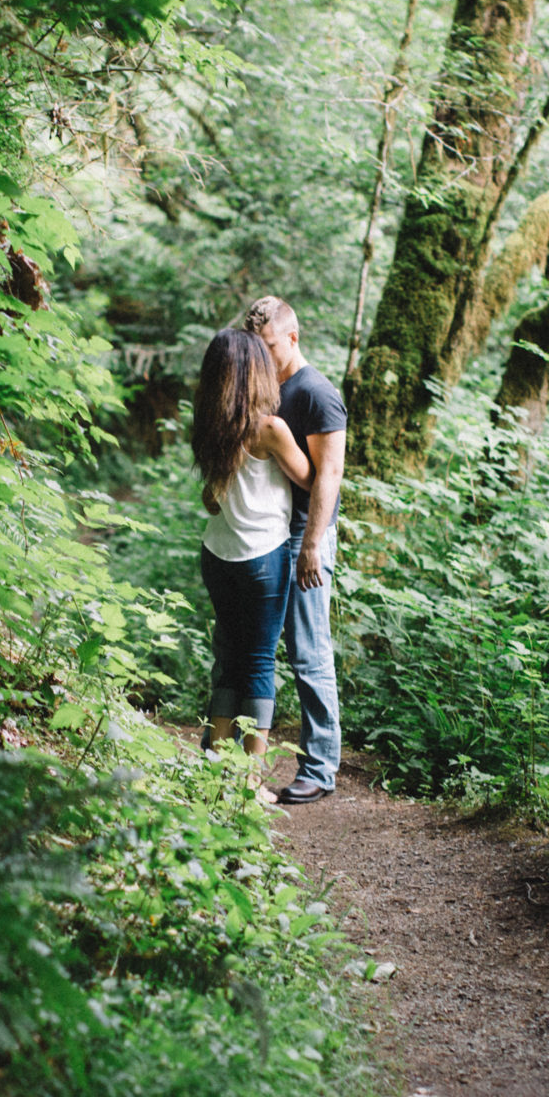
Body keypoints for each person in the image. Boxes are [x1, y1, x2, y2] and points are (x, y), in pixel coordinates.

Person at [191, 328, 313, 771]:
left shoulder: (211, 423)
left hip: (217, 553)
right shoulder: (270, 429)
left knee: (228, 659)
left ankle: (212, 766)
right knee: (259, 662)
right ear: (255, 372)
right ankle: (247, 781)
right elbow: (309, 478)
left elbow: (210, 496)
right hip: (262, 556)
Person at [242, 296, 345, 805]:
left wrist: (311, 546)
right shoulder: (269, 388)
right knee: (258, 650)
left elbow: (328, 476)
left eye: (270, 347)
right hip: (268, 533)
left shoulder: (317, 394)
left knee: (308, 653)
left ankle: (320, 767)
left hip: (307, 536)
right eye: (256, 349)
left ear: (293, 338)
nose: (263, 357)